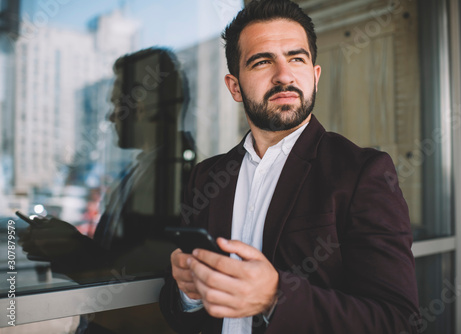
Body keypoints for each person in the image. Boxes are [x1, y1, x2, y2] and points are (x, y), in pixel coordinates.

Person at [159, 0, 420, 333]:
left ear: (315, 75)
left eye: (296, 58)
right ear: (235, 87)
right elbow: (179, 315)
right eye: (262, 61)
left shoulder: (362, 172)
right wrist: (187, 292)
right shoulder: (207, 176)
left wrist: (275, 297)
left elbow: (397, 321)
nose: (284, 75)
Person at [20, 47, 190, 333]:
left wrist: (72, 246)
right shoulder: (147, 168)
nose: (112, 117)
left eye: (116, 104)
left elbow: (138, 271)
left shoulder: (178, 176)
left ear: (141, 106)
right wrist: (67, 244)